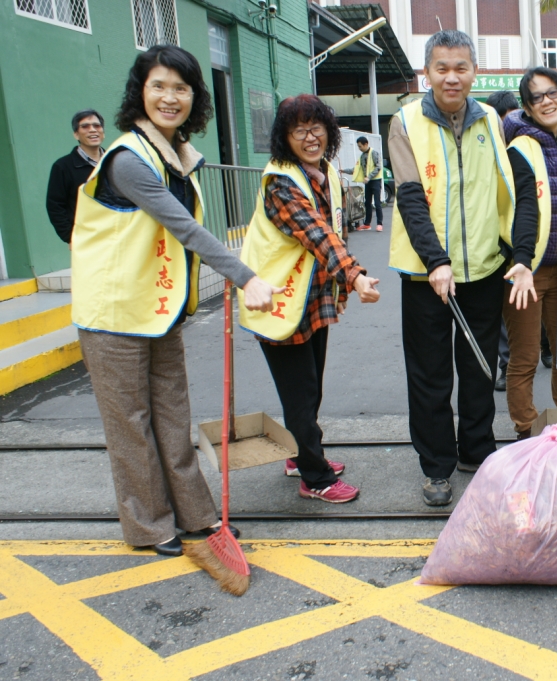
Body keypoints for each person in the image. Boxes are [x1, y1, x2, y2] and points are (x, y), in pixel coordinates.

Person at [71, 45, 281, 556]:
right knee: (131, 427)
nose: (170, 97)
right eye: (158, 86)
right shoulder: (127, 159)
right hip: (113, 313)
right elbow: (184, 228)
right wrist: (245, 277)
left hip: (157, 310)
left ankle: (195, 513)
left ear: (194, 97)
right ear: (139, 93)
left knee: (171, 416)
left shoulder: (176, 156)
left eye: (181, 88)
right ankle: (149, 526)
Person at [389, 30, 535, 506]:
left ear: (474, 72)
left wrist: (521, 254)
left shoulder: (491, 119)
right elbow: (411, 196)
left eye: (461, 68)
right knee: (430, 374)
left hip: (484, 269)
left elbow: (517, 182)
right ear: (426, 72)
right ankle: (436, 467)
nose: (452, 77)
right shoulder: (405, 121)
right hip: (425, 274)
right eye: (441, 68)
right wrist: (436, 261)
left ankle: (476, 449)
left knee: (477, 368)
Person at [240, 94, 380, 504]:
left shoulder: (323, 173)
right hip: (279, 301)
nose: (309, 136)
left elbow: (336, 227)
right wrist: (354, 275)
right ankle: (314, 478)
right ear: (285, 137)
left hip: (312, 299)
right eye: (298, 130)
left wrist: (344, 279)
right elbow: (316, 232)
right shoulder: (282, 181)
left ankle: (301, 455)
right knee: (300, 394)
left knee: (309, 388)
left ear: (329, 131)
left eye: (316, 127)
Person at [503, 67, 557, 440]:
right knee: (524, 357)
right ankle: (526, 429)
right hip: (526, 270)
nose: (547, 101)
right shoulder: (518, 148)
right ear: (527, 105)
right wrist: (522, 260)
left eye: (552, 92)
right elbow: (524, 207)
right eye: (537, 97)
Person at [485, 90, 522, 392]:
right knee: (501, 310)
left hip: (529, 245)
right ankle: (507, 365)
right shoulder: (487, 149)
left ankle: (545, 346)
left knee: (531, 305)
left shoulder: (528, 147)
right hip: (497, 246)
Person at [47, 110, 106, 245]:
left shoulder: (115, 162)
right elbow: (55, 206)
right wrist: (71, 237)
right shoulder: (63, 167)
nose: (92, 130)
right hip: (86, 240)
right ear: (76, 134)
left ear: (103, 132)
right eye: (85, 126)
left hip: (116, 236)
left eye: (97, 126)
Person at [352, 136, 384, 232]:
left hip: (375, 181)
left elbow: (378, 167)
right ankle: (367, 224)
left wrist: (369, 177)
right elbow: (357, 169)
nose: (359, 148)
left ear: (366, 144)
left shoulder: (374, 153)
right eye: (358, 146)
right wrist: (344, 171)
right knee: (367, 203)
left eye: (360, 146)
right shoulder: (362, 156)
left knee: (377, 203)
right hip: (368, 182)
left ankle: (379, 224)